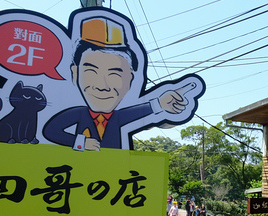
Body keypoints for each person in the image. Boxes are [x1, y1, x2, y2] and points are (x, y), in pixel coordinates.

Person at [43, 16, 200, 151]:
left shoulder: (118, 117)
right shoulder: (78, 113)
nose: (102, 86)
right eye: (91, 72)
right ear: (75, 73)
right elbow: (50, 130)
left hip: (113, 179)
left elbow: (139, 112)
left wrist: (160, 104)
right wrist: (80, 142)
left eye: (114, 74)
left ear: (130, 79)